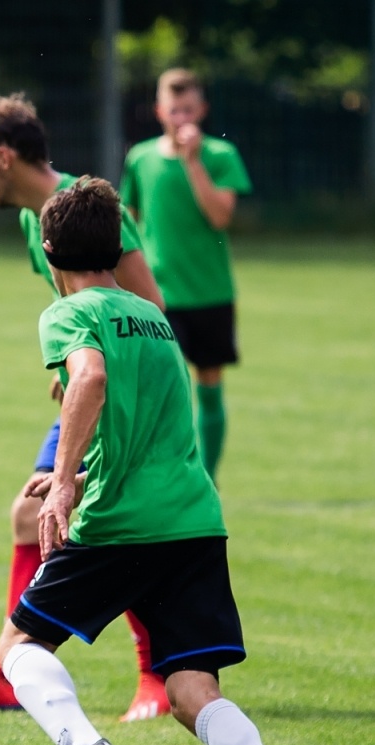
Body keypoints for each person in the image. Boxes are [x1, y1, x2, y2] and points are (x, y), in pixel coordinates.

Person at [0, 178, 303, 745]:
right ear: (117, 245)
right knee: (190, 686)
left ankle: (80, 744)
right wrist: (76, 464)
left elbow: (92, 379)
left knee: (18, 646)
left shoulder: (69, 313)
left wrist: (68, 482)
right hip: (192, 521)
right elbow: (138, 415)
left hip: (121, 524)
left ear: (49, 250)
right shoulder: (154, 316)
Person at [0, 93, 171, 723]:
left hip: (123, 398)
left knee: (113, 519)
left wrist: (91, 370)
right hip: (87, 386)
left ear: (6, 156)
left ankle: (156, 675)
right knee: (28, 513)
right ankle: (10, 669)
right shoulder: (34, 222)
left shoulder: (91, 209)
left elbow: (149, 310)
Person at [120, 69, 251, 484]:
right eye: (173, 110)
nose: (181, 119)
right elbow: (130, 221)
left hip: (210, 291)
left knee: (209, 381)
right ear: (160, 111)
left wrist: (193, 163)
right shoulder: (140, 158)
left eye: (188, 110)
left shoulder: (219, 156)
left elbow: (220, 216)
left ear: (202, 111)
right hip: (159, 295)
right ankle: (171, 472)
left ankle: (206, 479)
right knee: (165, 386)